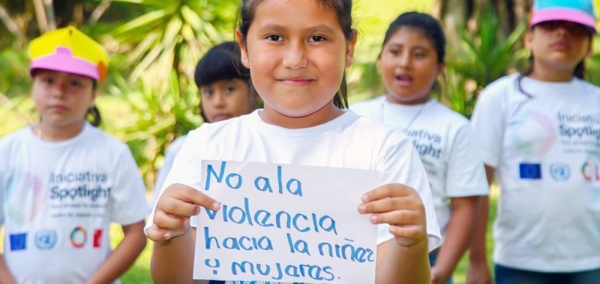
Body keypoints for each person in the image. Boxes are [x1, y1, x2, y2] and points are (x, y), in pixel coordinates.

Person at [145, 0, 442, 283]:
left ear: (349, 47)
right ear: (244, 47)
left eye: (317, 38)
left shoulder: (385, 149)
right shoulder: (208, 146)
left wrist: (410, 244)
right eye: (275, 37)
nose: (295, 59)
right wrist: (174, 233)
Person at [0, 26, 149, 283]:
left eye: (75, 83)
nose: (60, 92)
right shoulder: (8, 150)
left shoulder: (113, 153)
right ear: (32, 87)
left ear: (94, 95)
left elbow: (136, 233)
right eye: (48, 81)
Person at [351, 12, 488, 284]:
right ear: (380, 60)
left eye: (419, 54)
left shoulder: (455, 128)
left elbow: (465, 207)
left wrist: (441, 270)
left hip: (426, 258)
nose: (405, 63)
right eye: (395, 51)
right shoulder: (354, 116)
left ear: (439, 68)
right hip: (355, 251)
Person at [468, 0, 600, 283]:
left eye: (576, 28)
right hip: (520, 261)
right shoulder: (499, 97)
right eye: (551, 25)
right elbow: (478, 184)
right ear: (529, 37)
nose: (562, 34)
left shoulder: (596, 101)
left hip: (591, 259)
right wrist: (477, 260)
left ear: (589, 45)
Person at [151, 41, 256, 206]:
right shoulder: (182, 148)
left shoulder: (268, 144)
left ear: (253, 91)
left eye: (229, 89)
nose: (218, 102)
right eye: (208, 92)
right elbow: (160, 211)